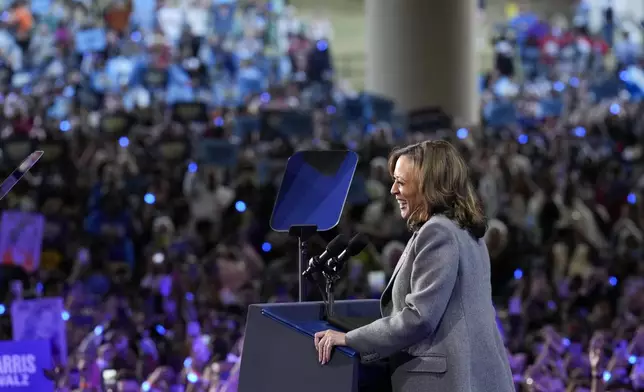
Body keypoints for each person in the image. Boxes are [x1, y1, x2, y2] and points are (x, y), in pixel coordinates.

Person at [314, 140, 515, 392]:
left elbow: (419, 318)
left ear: (428, 184)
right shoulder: (467, 232)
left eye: (401, 181)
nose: (392, 190)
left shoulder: (438, 231)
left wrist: (350, 339)